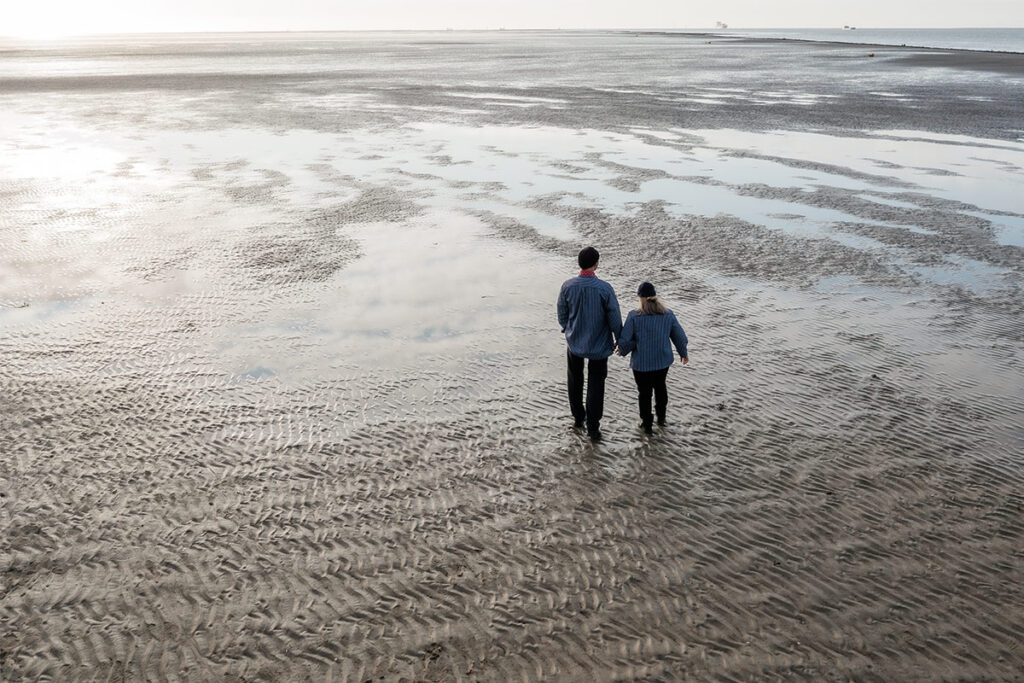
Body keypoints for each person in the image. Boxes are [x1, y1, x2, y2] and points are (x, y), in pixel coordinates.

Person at [557, 247, 622, 441]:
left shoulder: (567, 286)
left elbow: (562, 313)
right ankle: (593, 428)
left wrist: (568, 329)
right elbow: (615, 318)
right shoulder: (604, 288)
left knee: (575, 378)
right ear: (596, 264)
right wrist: (621, 340)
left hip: (575, 342)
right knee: (596, 382)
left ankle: (578, 418)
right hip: (599, 345)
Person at [615, 281, 689, 435]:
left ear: (640, 298)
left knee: (644, 392)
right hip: (662, 361)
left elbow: (625, 339)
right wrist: (683, 353)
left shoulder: (634, 316)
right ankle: (661, 418)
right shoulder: (667, 314)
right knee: (661, 387)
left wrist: (621, 349)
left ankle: (646, 424)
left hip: (641, 363)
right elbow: (679, 336)